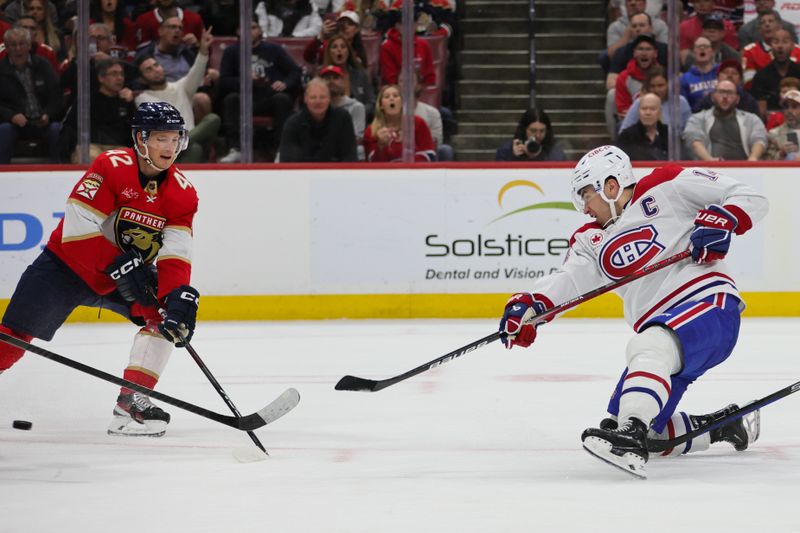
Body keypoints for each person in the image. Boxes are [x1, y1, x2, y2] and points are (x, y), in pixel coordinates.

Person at [498, 144, 767, 478]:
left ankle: (631, 438)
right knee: (632, 424)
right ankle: (724, 426)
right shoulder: (590, 240)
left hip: (708, 307)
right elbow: (568, 279)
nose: (584, 208)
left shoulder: (666, 185)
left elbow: (749, 196)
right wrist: (531, 307)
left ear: (610, 186)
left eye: (586, 195)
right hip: (666, 336)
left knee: (645, 360)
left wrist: (726, 219)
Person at [0, 101, 200, 438]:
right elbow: (78, 234)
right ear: (140, 139)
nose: (170, 147)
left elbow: (175, 254)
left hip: (121, 279)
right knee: (12, 340)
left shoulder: (183, 193)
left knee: (167, 315)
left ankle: (131, 403)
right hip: (63, 269)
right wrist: (123, 267)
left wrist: (176, 295)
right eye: (162, 139)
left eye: (175, 138)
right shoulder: (111, 166)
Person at [217, 20, 302, 163]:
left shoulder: (274, 50)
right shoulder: (231, 52)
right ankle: (236, 149)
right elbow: (224, 80)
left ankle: (280, 150)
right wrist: (245, 80)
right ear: (238, 31)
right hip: (244, 98)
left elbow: (295, 71)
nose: (249, 31)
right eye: (244, 27)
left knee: (282, 99)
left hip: (269, 97)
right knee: (231, 99)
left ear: (260, 30)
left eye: (253, 27)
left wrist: (285, 83)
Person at [135, 27, 220, 164]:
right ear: (142, 79)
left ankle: (185, 146)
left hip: (190, 143)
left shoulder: (181, 88)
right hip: (165, 151)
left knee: (212, 119)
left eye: (156, 65)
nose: (155, 70)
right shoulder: (142, 99)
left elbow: (197, 71)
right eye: (148, 70)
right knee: (195, 149)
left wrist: (203, 50)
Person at [0, 26, 61, 163]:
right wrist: (11, 115)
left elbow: (57, 95)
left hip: (43, 121)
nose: (18, 49)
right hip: (15, 123)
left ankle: (60, 169)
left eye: (22, 44)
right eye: (13, 45)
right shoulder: (1, 69)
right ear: (6, 47)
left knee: (56, 129)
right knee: (4, 130)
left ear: (29, 46)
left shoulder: (43, 65)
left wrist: (48, 113)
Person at [60, 57, 136, 162]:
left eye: (121, 74)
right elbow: (70, 127)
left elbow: (135, 130)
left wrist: (130, 104)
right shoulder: (87, 100)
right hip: (92, 146)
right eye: (114, 74)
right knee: (89, 156)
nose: (119, 78)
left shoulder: (126, 100)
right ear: (101, 78)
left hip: (119, 147)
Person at [683, 80, 768, 161]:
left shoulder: (752, 119)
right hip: (709, 171)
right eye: (721, 92)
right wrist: (709, 160)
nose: (725, 97)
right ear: (713, 97)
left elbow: (759, 139)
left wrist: (753, 159)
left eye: (730, 93)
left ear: (737, 99)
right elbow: (693, 139)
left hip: (745, 169)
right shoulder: (698, 119)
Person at [364, 83, 437, 162]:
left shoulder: (418, 123)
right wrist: (381, 146)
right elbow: (372, 164)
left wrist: (401, 163)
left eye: (395, 96)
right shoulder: (371, 131)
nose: (391, 99)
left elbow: (430, 155)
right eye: (386, 97)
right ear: (381, 105)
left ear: (402, 103)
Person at [618, 65, 691, 134]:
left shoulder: (681, 102)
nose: (656, 90)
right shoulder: (640, 103)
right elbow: (623, 131)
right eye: (652, 86)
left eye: (660, 86)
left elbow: (688, 132)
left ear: (668, 84)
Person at [320, 64, 365, 158]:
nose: (331, 81)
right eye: (327, 78)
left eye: (336, 78)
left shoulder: (357, 107)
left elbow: (355, 138)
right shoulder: (316, 108)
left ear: (343, 82)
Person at [495, 107, 566, 162]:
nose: (538, 135)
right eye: (533, 131)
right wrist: (513, 156)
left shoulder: (554, 151)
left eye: (542, 131)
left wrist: (538, 156)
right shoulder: (506, 150)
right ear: (524, 130)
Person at [616, 92, 668, 160]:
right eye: (644, 109)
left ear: (660, 112)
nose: (648, 113)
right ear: (638, 111)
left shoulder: (669, 133)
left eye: (652, 109)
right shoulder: (627, 136)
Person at [767, 89, 800, 160]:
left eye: (794, 107)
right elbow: (768, 161)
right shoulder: (774, 134)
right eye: (786, 107)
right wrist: (782, 154)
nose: (789, 111)